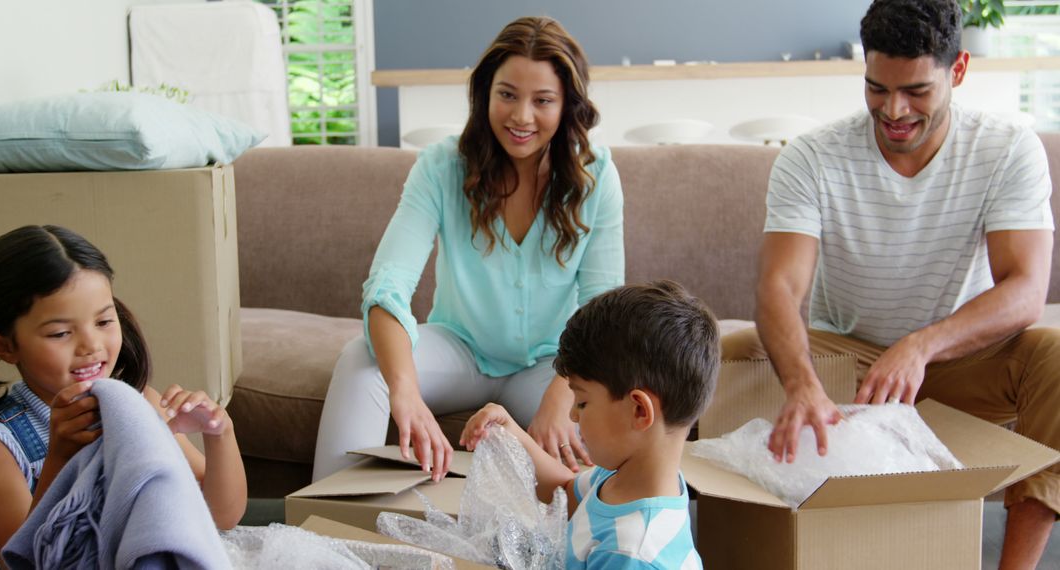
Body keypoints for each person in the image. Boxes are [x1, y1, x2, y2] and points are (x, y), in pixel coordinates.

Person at [721, 0, 1059, 567]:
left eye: (917, 91)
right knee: (727, 351)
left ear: (958, 71)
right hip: (846, 367)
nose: (894, 109)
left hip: (959, 361)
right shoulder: (812, 157)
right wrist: (802, 384)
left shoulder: (1007, 148)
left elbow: (1026, 289)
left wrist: (921, 345)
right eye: (876, 88)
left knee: (1054, 356)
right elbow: (778, 288)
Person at [313, 16, 624, 482]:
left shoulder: (596, 176)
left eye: (542, 101)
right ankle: (326, 529)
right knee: (362, 359)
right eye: (507, 95)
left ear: (567, 107)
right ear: (485, 94)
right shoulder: (440, 167)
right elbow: (388, 286)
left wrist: (562, 398)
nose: (521, 116)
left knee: (602, 410)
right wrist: (405, 391)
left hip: (553, 364)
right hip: (459, 351)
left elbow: (604, 310)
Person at [0, 225, 247, 569]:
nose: (91, 346)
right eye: (60, 333)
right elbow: (24, 562)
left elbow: (219, 517)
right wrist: (59, 457)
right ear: (3, 346)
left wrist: (219, 433)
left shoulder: (140, 406)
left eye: (104, 322)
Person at [461, 281, 717, 569]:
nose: (572, 415)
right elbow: (565, 491)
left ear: (639, 411)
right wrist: (510, 430)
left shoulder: (631, 554)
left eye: (582, 402)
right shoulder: (625, 477)